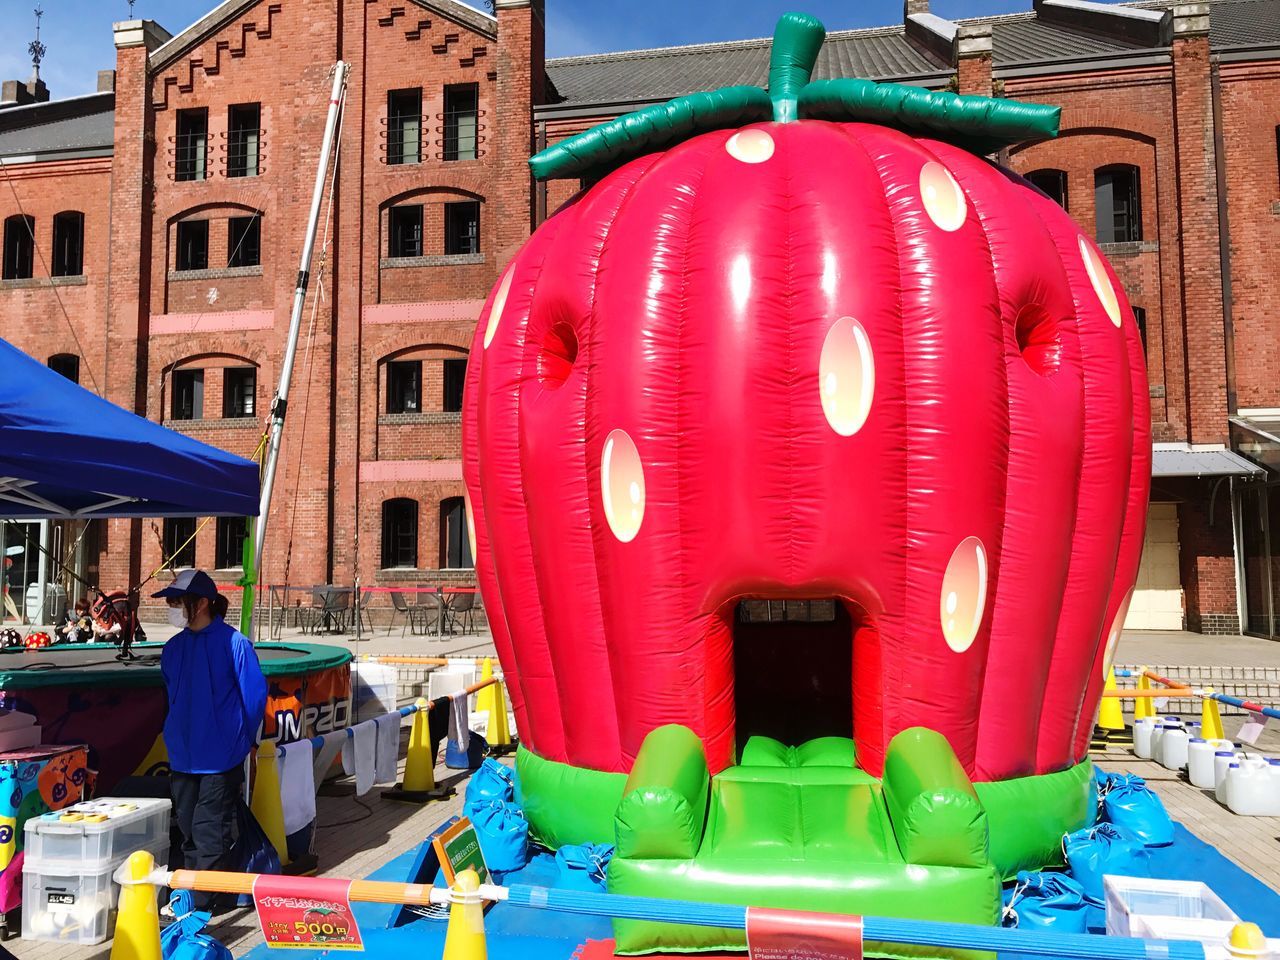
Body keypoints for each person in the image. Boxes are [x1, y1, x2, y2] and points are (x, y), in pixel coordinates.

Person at [154, 569, 267, 911]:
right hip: (184, 755)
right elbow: (172, 695)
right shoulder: (172, 649)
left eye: (177, 601)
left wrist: (245, 740)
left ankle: (203, 903)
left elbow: (254, 698)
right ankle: (196, 894)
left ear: (202, 603)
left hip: (221, 756)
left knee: (209, 830)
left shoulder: (236, 644)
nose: (172, 607)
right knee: (188, 827)